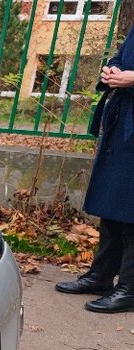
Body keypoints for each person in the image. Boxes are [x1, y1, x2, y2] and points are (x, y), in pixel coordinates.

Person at [56, 32, 134, 313]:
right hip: (124, 120)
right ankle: (101, 276)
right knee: (113, 204)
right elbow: (123, 54)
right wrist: (113, 70)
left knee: (131, 210)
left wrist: (132, 78)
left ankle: (129, 289)